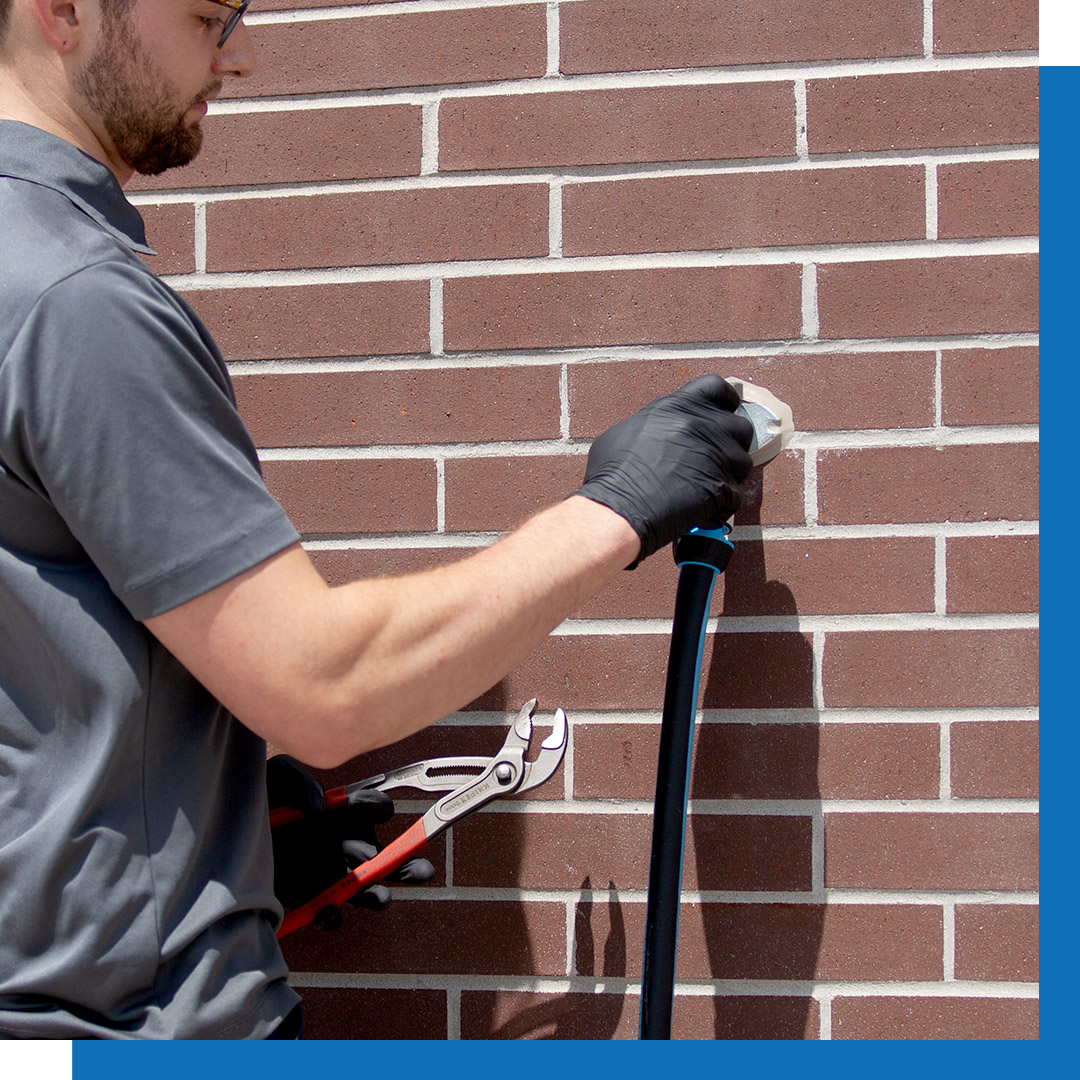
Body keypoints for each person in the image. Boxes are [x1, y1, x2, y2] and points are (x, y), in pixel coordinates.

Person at [0, 0, 754, 1040]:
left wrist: (194, 837)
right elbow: (326, 688)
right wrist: (618, 508)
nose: (240, 57)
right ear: (63, 10)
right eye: (208, 16)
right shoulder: (77, 303)